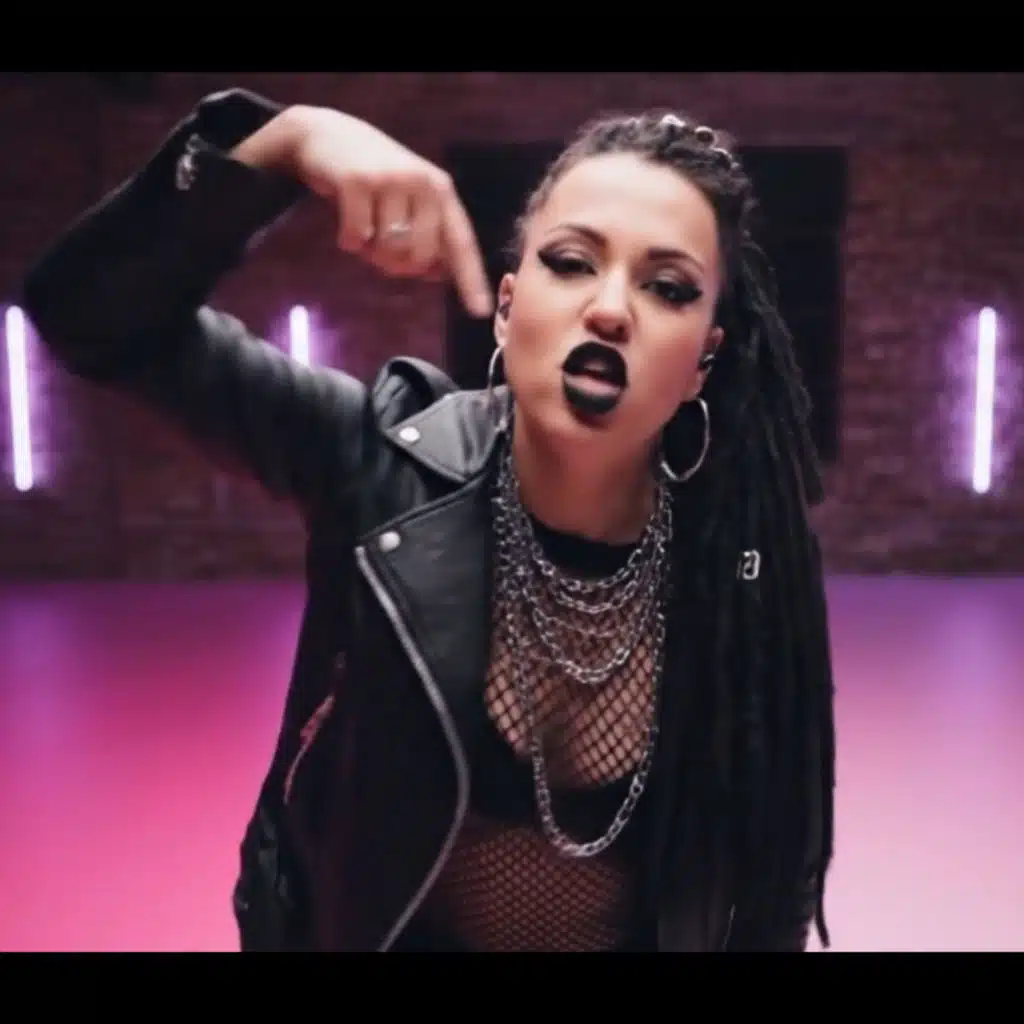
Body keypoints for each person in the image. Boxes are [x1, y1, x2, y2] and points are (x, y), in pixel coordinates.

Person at [21, 86, 837, 953]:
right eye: (571, 262)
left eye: (667, 287)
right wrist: (286, 143)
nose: (609, 308)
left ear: (704, 357)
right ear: (511, 304)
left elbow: (775, 879)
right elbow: (87, 315)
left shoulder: (743, 561)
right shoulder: (380, 464)